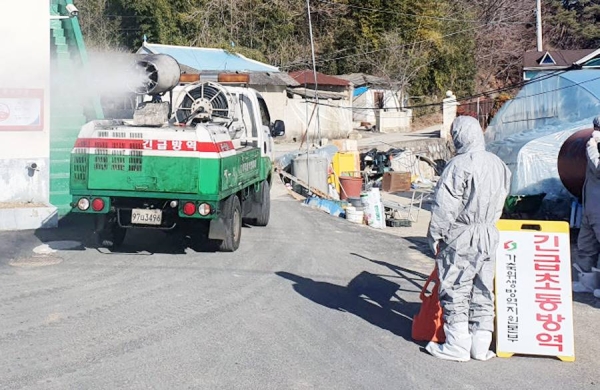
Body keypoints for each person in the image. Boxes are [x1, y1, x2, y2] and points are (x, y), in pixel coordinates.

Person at [425, 116, 511, 362]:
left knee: (456, 286)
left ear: (460, 136)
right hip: (490, 232)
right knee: (483, 287)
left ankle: (458, 345)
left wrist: (435, 234)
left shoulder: (458, 165)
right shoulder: (499, 164)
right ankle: (480, 346)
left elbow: (445, 206)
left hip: (462, 234)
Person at [572, 118, 600, 295]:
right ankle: (587, 283)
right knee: (585, 246)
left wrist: (591, 147)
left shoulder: (593, 147)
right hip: (590, 207)